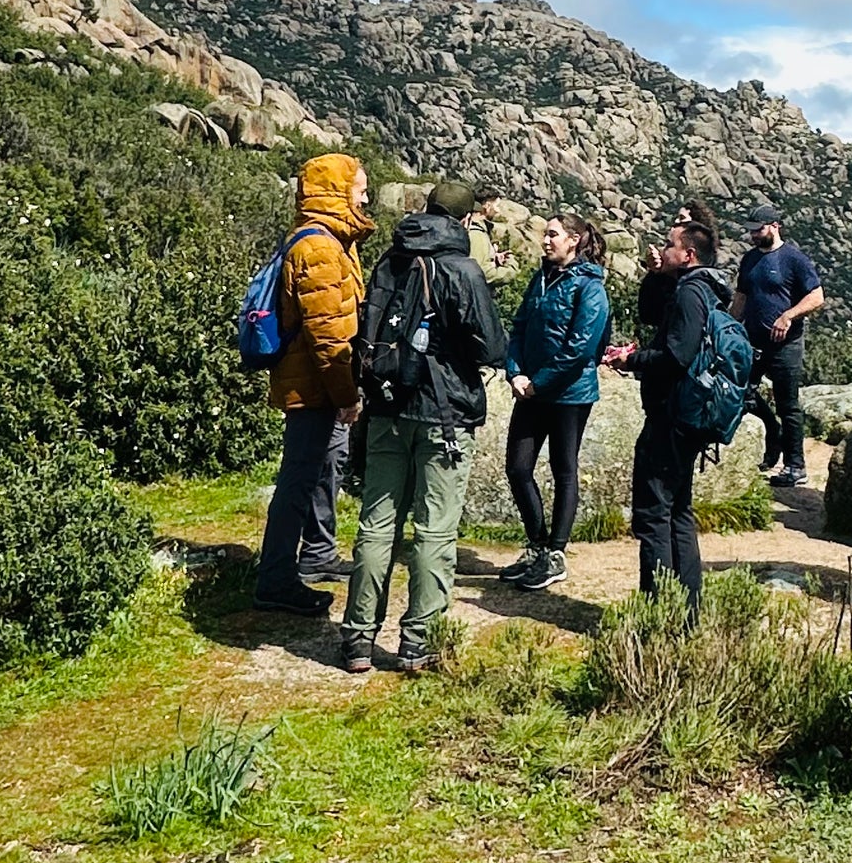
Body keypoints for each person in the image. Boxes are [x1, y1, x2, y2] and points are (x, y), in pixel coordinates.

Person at [340, 178, 507, 674]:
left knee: (376, 525)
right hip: (443, 413)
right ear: (465, 220)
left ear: (426, 209)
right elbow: (491, 346)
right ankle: (419, 643)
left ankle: (357, 640)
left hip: (387, 407)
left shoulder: (389, 260)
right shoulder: (462, 268)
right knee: (434, 531)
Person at [253, 152, 372, 616]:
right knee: (298, 479)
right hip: (315, 389)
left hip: (319, 385)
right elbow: (329, 336)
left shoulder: (332, 239)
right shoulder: (319, 248)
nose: (365, 195)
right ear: (337, 192)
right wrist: (347, 397)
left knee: (322, 470)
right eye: (359, 188)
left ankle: (317, 554)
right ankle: (276, 579)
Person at [606, 206, 729, 619]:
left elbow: (677, 356)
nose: (663, 249)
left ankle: (657, 612)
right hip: (685, 416)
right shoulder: (701, 288)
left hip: (672, 416)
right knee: (678, 511)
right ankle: (686, 613)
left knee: (655, 513)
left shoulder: (692, 293)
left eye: (670, 245)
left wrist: (632, 359)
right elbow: (651, 314)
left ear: (688, 254)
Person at [501, 215, 612, 591]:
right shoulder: (541, 279)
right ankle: (536, 545)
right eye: (545, 234)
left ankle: (556, 553)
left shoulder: (589, 287)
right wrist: (514, 371)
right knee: (518, 468)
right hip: (530, 389)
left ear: (574, 240)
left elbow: (580, 348)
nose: (545, 241)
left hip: (570, 394)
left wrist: (539, 383)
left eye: (552, 234)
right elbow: (517, 329)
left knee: (564, 468)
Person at [732, 206, 824, 490]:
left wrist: (788, 316)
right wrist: (728, 325)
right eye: (750, 230)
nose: (752, 235)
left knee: (789, 405)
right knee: (742, 394)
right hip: (752, 340)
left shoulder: (794, 259)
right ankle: (768, 440)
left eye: (757, 229)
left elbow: (817, 296)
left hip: (786, 344)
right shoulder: (749, 260)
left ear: (774, 226)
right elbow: (741, 298)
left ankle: (795, 465)